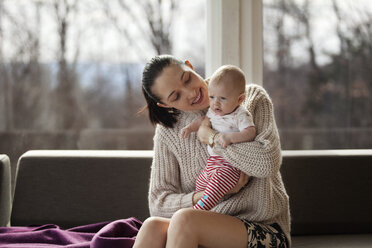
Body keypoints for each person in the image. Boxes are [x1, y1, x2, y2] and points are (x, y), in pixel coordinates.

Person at [134, 55, 290, 248]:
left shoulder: (249, 99)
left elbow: (267, 163)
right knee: (152, 226)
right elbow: (158, 204)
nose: (191, 92)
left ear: (190, 66)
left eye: (187, 78)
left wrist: (212, 138)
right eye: (176, 96)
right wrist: (210, 194)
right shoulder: (168, 132)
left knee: (185, 220)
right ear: (166, 104)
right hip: (201, 230)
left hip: (264, 231)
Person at [180, 65, 256, 211]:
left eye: (222, 98)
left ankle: (198, 211)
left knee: (216, 185)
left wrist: (231, 138)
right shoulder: (213, 111)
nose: (215, 103)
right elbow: (203, 120)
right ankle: (206, 211)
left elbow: (250, 132)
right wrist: (190, 128)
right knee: (201, 182)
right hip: (212, 163)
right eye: (212, 97)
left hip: (230, 167)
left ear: (240, 99)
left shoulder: (240, 115)